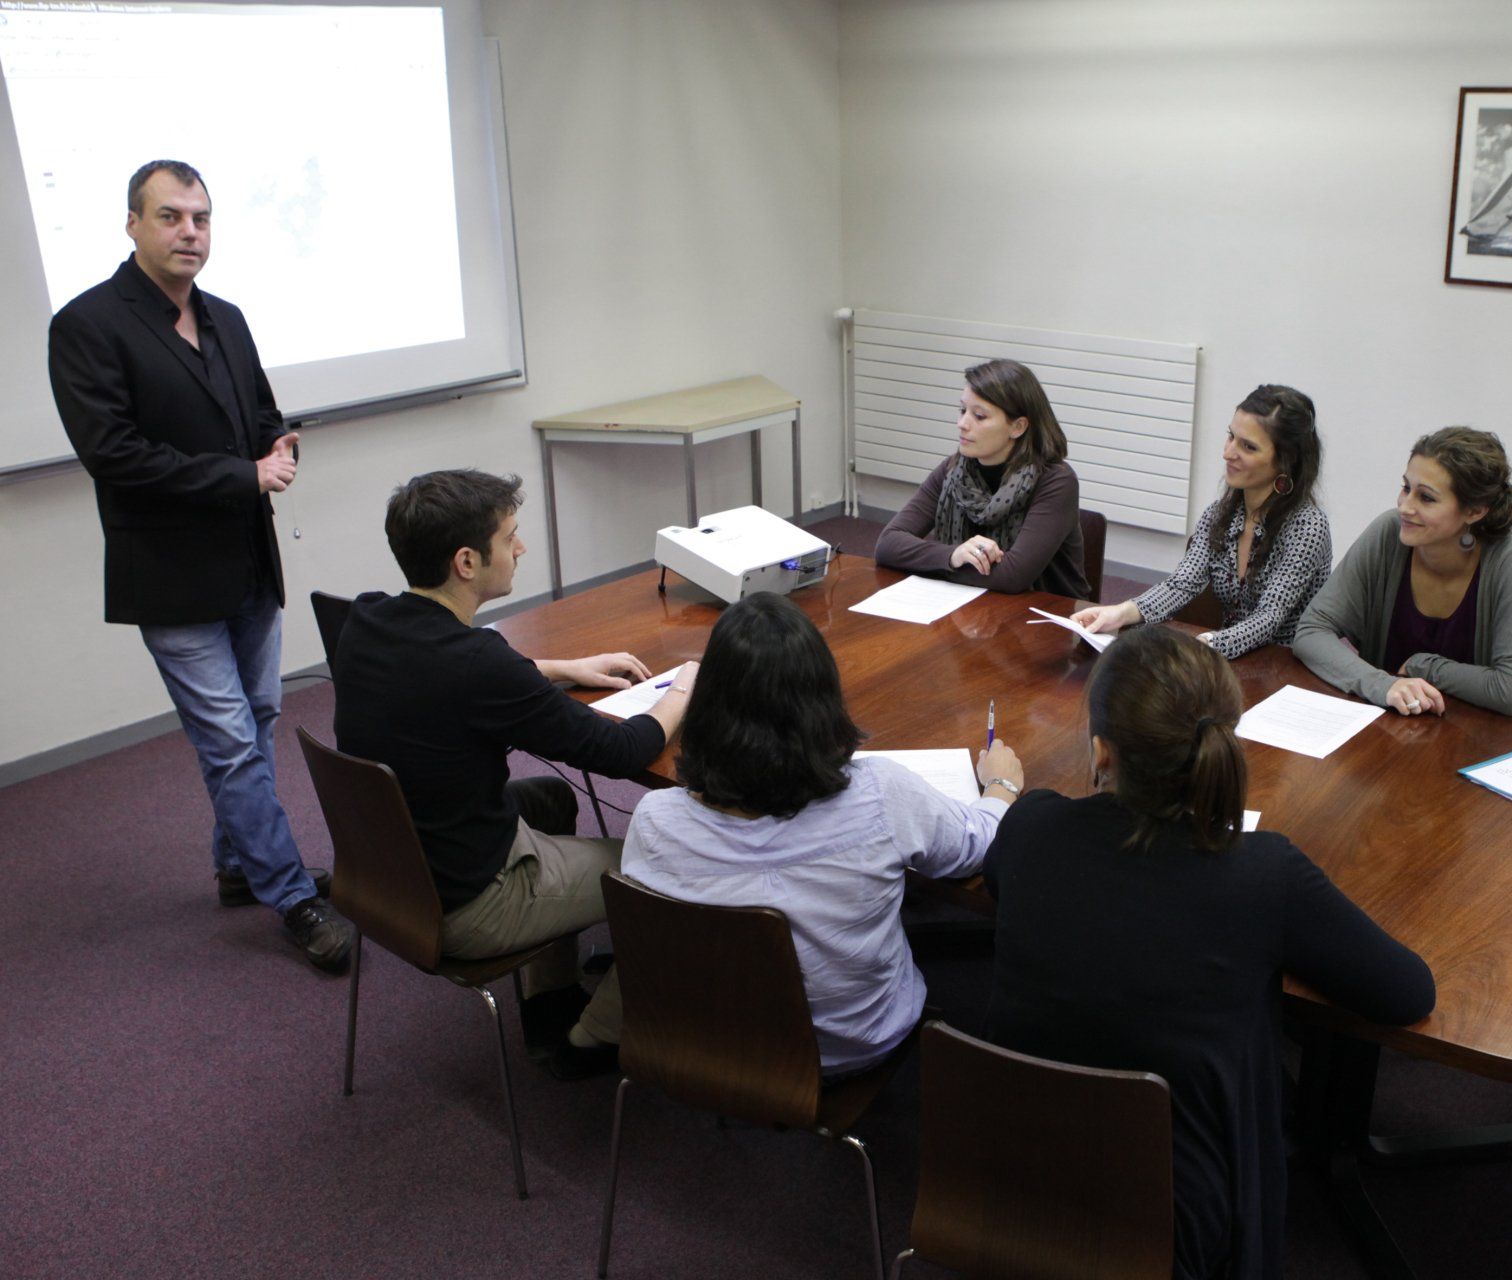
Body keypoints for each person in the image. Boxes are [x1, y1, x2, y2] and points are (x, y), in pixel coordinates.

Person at [983, 626, 1435, 1280]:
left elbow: (1006, 877)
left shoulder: (1030, 829)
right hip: (1179, 1231)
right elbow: (1406, 993)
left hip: (998, 1183)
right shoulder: (1261, 873)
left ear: (1102, 752)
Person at [48, 160, 350, 971]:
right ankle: (292, 894)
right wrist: (241, 475)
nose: (190, 233)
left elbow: (259, 411)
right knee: (228, 742)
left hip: (247, 561)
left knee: (254, 722)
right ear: (134, 225)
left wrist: (279, 442)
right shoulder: (89, 324)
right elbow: (114, 454)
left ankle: (234, 866)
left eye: (202, 219)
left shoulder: (227, 317)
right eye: (173, 217)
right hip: (170, 576)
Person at [332, 469, 697, 1079]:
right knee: (677, 868)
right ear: (468, 561)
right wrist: (687, 681)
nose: (520, 548)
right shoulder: (479, 665)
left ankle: (548, 998)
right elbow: (621, 750)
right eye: (511, 538)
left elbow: (457, 673)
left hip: (389, 869)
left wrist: (559, 666)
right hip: (468, 901)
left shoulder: (367, 619)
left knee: (551, 798)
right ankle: (592, 1041)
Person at [622, 592, 1023, 1076]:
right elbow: (976, 848)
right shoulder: (879, 796)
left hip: (705, 1042)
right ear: (823, 700)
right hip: (853, 1049)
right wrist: (1000, 785)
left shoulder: (652, 820)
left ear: (705, 706)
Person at [1294, 426, 1512, 716]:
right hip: (1386, 724)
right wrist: (1382, 684)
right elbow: (1311, 631)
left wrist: (1423, 667)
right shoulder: (1388, 533)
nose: (1405, 507)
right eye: (1406, 488)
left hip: (1472, 732)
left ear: (1474, 511)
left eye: (1426, 498)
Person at [1071, 384, 1331, 657]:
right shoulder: (1221, 513)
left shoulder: (1307, 526)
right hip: (1229, 660)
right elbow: (1181, 584)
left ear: (1285, 461)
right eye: (1231, 436)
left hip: (1286, 666)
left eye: (1248, 446)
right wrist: (1121, 612)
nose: (1228, 453)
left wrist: (1205, 645)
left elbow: (1269, 616)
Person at [874, 358, 1091, 598]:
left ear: (1017, 427)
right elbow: (887, 544)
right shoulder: (953, 470)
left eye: (979, 416)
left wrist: (932, 563)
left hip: (1048, 614)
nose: (962, 424)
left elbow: (1012, 576)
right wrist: (951, 556)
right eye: (962, 410)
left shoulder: (1056, 481)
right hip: (972, 608)